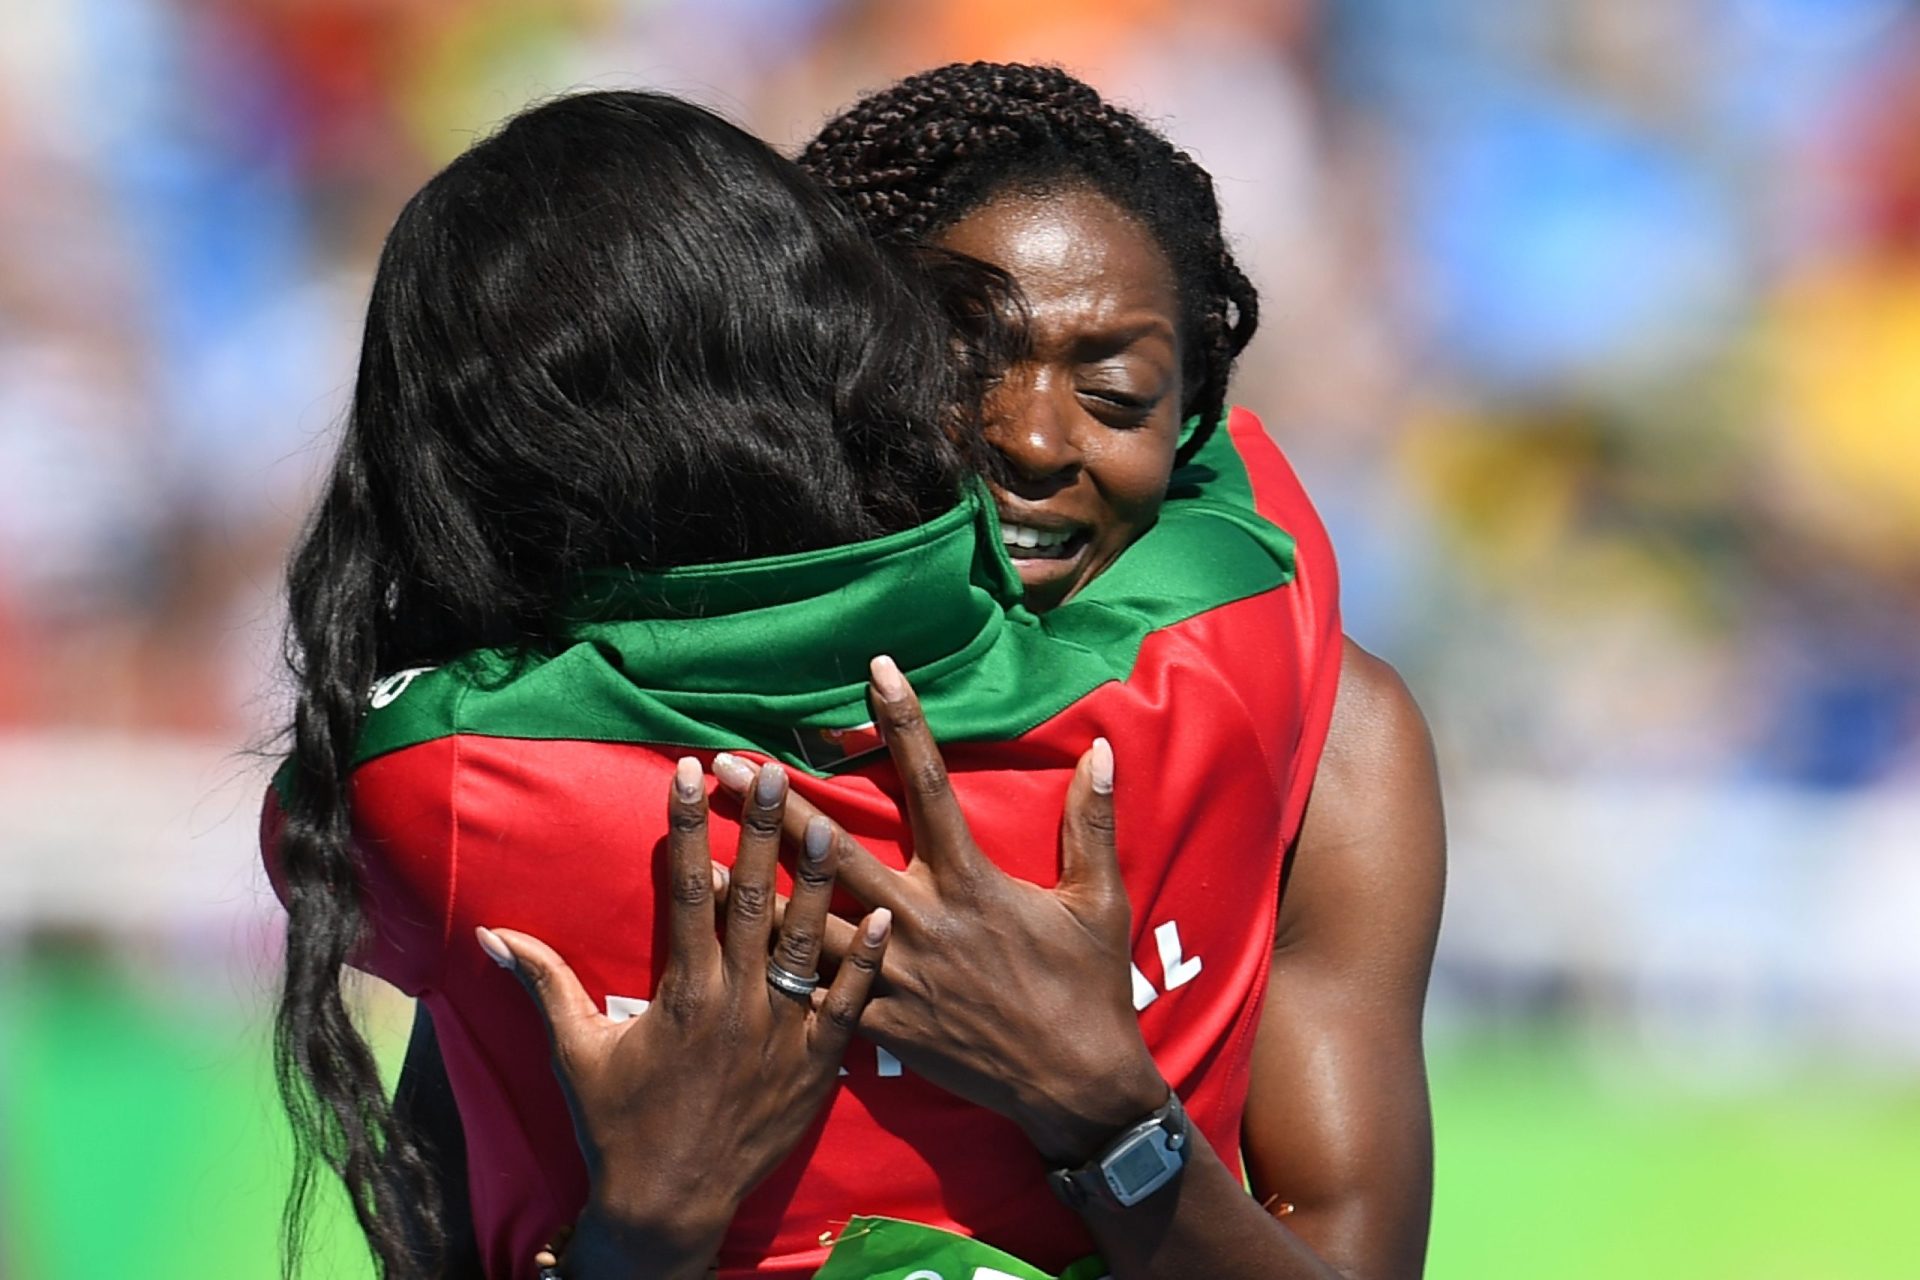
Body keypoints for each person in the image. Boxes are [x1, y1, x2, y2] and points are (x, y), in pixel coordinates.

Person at [402, 64, 1443, 1280]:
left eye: (1116, 392)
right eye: (964, 366)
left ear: (1194, 411)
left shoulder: (1334, 745)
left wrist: (1099, 1102)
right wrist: (646, 1234)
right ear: (816, 363)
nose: (1037, 441)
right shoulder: (605, 762)